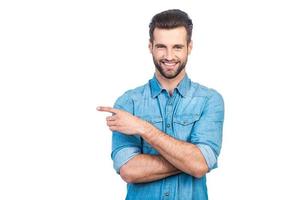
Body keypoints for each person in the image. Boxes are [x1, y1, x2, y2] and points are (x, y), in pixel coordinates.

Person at [97, 9, 224, 200]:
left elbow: (200, 165)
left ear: (190, 47)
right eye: (161, 47)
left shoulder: (210, 100)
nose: (169, 56)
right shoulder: (127, 103)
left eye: (177, 47)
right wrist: (188, 160)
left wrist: (142, 127)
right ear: (150, 46)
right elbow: (129, 170)